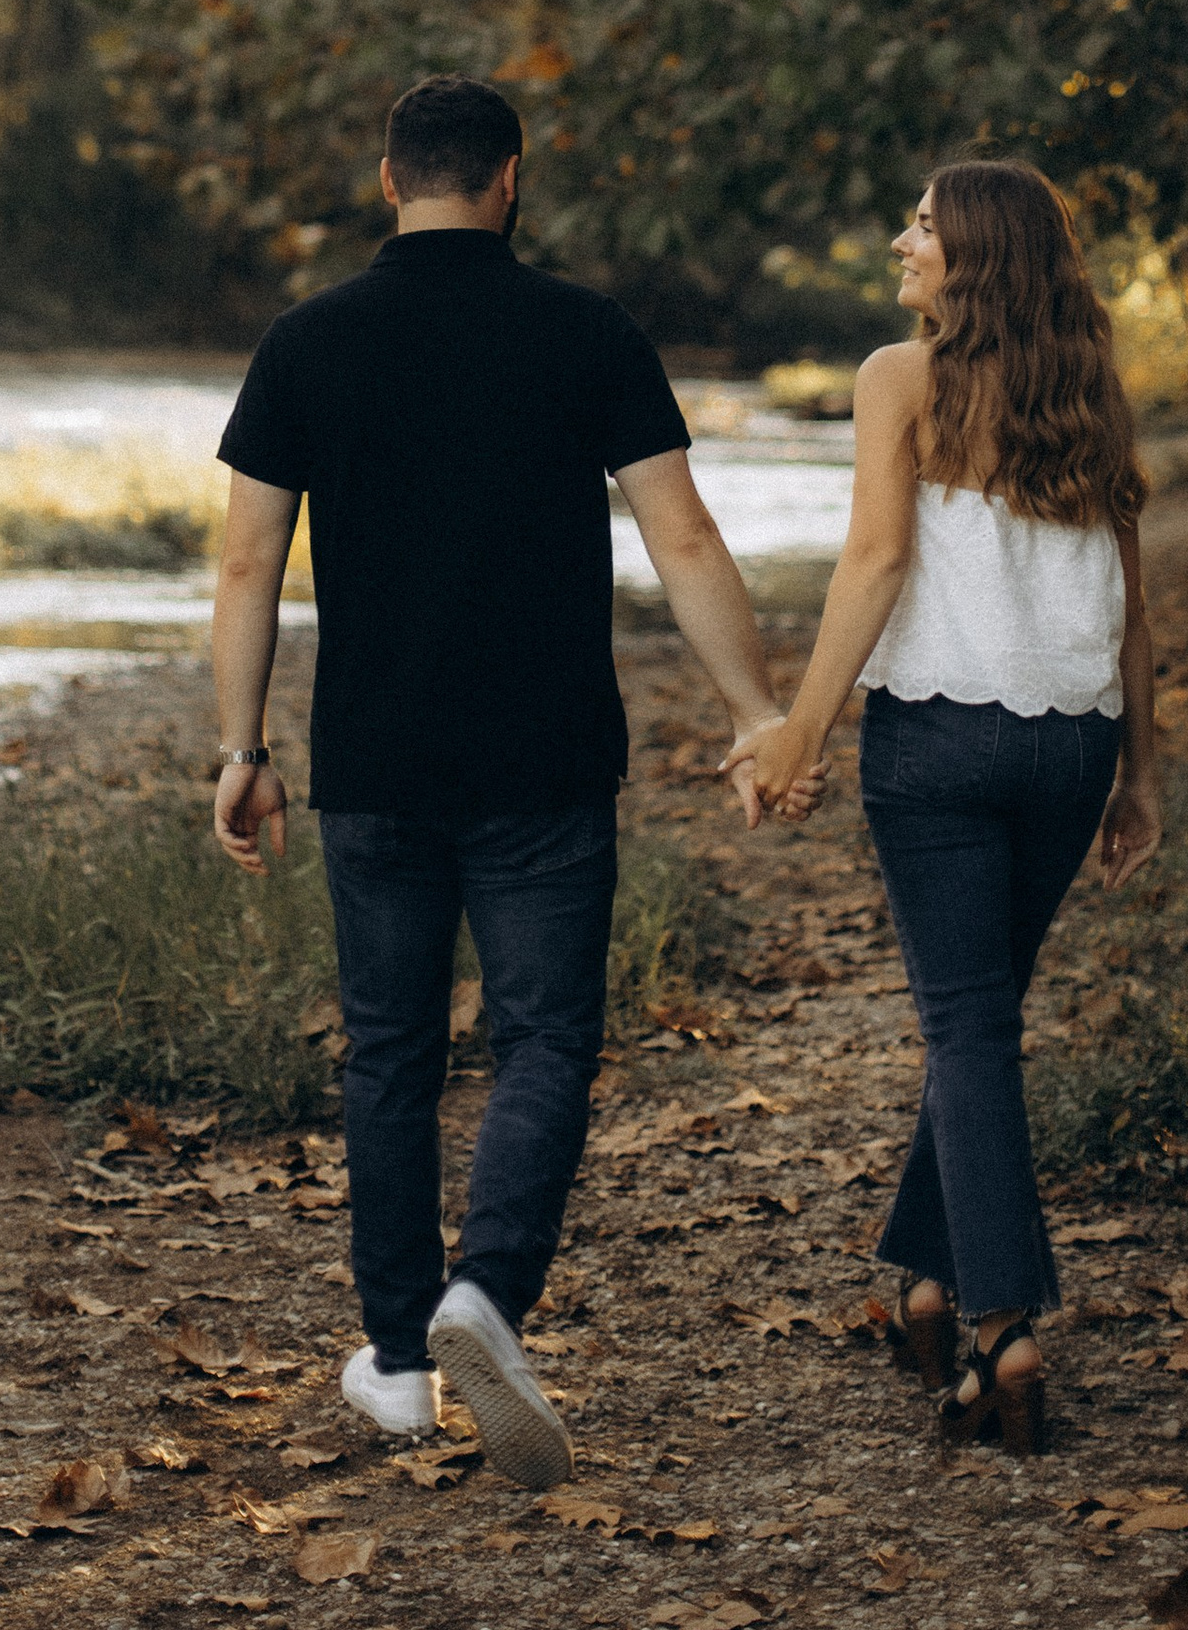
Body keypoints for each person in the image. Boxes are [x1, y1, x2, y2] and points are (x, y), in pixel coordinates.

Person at [209, 71, 788, 1488]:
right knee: (543, 1042)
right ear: (511, 179)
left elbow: (245, 564)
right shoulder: (587, 332)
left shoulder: (309, 342)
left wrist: (243, 748)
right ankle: (490, 1292)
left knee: (391, 1053)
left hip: (375, 760)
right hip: (544, 759)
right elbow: (688, 540)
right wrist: (760, 711)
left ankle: (401, 1367)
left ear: (386, 176)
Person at [731, 160, 1162, 1457]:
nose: (900, 241)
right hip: (1070, 746)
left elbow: (876, 557)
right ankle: (924, 1278)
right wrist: (1143, 774)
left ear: (973, 255)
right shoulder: (1090, 395)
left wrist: (799, 731)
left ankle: (1004, 1332)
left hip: (937, 744)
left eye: (920, 224)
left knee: (970, 1029)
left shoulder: (897, 377)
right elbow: (1136, 606)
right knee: (979, 1021)